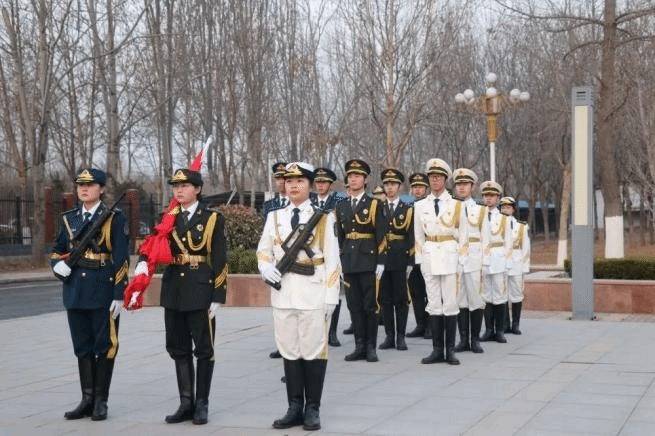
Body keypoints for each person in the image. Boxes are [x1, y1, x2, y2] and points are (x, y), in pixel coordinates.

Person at [133, 168, 227, 425]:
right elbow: (151, 245)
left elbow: (220, 259)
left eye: (184, 185)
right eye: (176, 186)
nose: (179, 190)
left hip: (200, 288)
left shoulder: (212, 219)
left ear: (197, 189)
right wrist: (142, 263)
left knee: (204, 349)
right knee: (178, 348)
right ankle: (186, 402)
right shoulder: (167, 218)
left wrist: (218, 295)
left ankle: (202, 404)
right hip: (174, 287)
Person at [257, 162, 340, 431]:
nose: (293, 185)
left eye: (299, 181)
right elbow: (263, 251)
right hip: (283, 294)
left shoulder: (323, 217)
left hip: (313, 292)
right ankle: (294, 407)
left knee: (313, 350)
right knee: (289, 350)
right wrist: (265, 267)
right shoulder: (274, 216)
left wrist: (331, 297)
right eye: (289, 181)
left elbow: (333, 261)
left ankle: (312, 408)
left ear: (310, 185)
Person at [50, 168, 129, 421]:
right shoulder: (68, 218)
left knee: (104, 346)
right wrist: (57, 265)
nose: (84, 189)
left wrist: (119, 293)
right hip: (75, 289)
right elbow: (57, 250)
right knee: (82, 347)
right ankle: (86, 399)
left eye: (90, 185)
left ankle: (100, 401)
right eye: (80, 185)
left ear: (101, 189)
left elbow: (121, 258)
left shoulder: (114, 217)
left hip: (102, 288)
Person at [413, 159, 466, 365]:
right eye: (432, 177)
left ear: (445, 179)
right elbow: (418, 237)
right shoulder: (420, 205)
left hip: (450, 257)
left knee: (450, 304)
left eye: (438, 177)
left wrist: (461, 261)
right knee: (434, 304)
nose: (434, 181)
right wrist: (420, 262)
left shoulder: (456, 204)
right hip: (429, 257)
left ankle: (450, 350)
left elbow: (464, 236)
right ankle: (437, 350)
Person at [335, 159, 385, 363]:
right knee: (353, 306)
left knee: (370, 306)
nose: (353, 179)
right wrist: (339, 263)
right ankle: (359, 345)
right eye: (350, 176)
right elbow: (340, 237)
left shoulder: (374, 204)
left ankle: (371, 347)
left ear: (365, 180)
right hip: (349, 261)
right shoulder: (341, 206)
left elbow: (381, 235)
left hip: (368, 261)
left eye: (357, 176)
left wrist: (381, 261)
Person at [377, 169, 414, 351]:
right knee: (385, 300)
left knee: (401, 300)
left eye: (393, 184)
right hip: (382, 260)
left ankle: (401, 336)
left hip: (400, 259)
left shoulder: (407, 209)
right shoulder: (379, 208)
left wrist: (411, 262)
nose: (389, 188)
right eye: (387, 184)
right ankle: (389, 336)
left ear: (399, 187)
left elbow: (411, 236)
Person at [452, 168, 486, 354]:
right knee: (460, 300)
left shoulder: (480, 210)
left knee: (476, 300)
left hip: (474, 258)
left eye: (465, 184)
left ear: (472, 186)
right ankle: (463, 339)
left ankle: (475, 339)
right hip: (456, 259)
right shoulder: (451, 208)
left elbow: (486, 239)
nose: (461, 187)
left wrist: (485, 264)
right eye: (458, 184)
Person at [312, 167, 346, 347]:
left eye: (324, 182)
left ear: (330, 185)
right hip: (314, 254)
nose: (320, 185)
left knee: (333, 291)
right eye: (318, 182)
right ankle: (317, 332)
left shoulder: (338, 202)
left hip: (335, 252)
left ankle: (332, 332)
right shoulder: (309, 202)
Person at [479, 181, 512, 344]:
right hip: (483, 259)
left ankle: (499, 331)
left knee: (499, 295)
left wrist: (508, 264)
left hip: (499, 259)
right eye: (486, 195)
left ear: (498, 198)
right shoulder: (478, 216)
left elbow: (509, 243)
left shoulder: (504, 219)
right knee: (486, 296)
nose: (488, 198)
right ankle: (488, 330)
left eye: (492, 196)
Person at [264, 162, 287, 359]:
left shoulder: (306, 202)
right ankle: (282, 345)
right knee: (279, 308)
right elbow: (266, 237)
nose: (281, 182)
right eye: (278, 179)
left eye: (284, 178)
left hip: (299, 262)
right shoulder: (269, 205)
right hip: (277, 262)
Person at [500, 196, 530, 335]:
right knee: (503, 295)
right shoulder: (495, 225)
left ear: (513, 209)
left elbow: (526, 248)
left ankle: (515, 324)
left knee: (517, 294)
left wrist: (524, 268)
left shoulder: (521, 226)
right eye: (503, 207)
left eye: (508, 207)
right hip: (501, 264)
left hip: (516, 264)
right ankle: (505, 324)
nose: (505, 209)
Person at [405, 172, 430, 339]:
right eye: (415, 187)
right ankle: (420, 324)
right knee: (416, 292)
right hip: (413, 256)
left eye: (421, 187)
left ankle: (431, 326)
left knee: (431, 292)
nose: (418, 190)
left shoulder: (431, 206)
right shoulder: (409, 208)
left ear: (426, 188)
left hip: (429, 255)